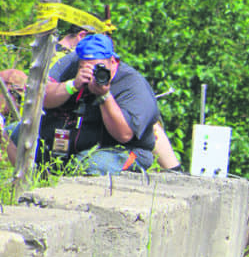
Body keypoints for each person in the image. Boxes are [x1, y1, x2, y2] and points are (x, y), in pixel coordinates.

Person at [5, 33, 160, 174]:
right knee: (15, 133)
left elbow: (124, 135)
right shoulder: (72, 63)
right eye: (85, 67)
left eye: (98, 68)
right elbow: (41, 98)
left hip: (121, 150)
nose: (92, 73)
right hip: (71, 138)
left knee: (89, 164)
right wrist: (72, 85)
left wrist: (104, 96)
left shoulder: (133, 85)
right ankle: (30, 184)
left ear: (113, 62)